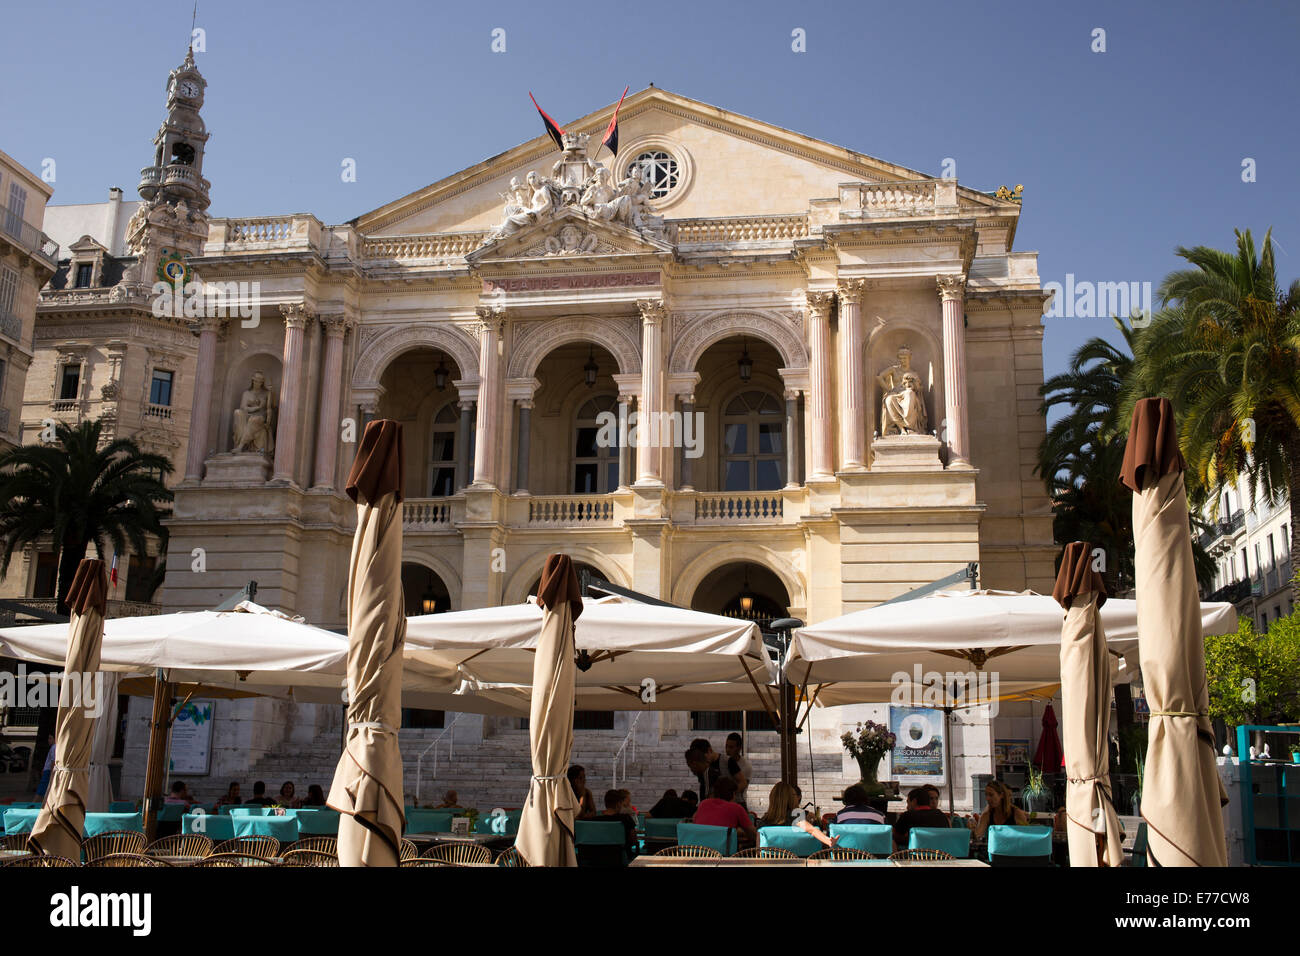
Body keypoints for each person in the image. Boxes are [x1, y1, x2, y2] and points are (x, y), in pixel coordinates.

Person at [759, 781, 837, 848]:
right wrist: (828, 840)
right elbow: (812, 830)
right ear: (790, 799)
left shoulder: (763, 821)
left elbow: (758, 850)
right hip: (797, 861)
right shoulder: (795, 816)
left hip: (771, 863)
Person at [690, 776, 757, 848]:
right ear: (733, 793)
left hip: (699, 852)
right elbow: (753, 834)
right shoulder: (736, 808)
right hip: (723, 855)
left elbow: (696, 823)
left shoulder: (703, 804)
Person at [600, 789, 639, 856]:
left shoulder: (594, 820)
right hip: (620, 858)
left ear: (606, 803)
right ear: (618, 804)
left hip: (597, 857)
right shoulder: (626, 819)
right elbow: (634, 840)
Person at [719, 732, 752, 807]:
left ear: (739, 748)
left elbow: (743, 786)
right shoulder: (723, 761)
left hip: (738, 802)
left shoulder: (746, 766)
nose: (727, 750)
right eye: (726, 746)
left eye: (731, 747)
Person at [36, 733, 55, 799]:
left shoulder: (54, 748)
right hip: (47, 770)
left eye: (50, 738)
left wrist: (51, 772)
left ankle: (35, 801)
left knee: (42, 786)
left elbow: (53, 761)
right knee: (45, 787)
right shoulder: (53, 748)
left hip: (48, 770)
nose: (48, 740)